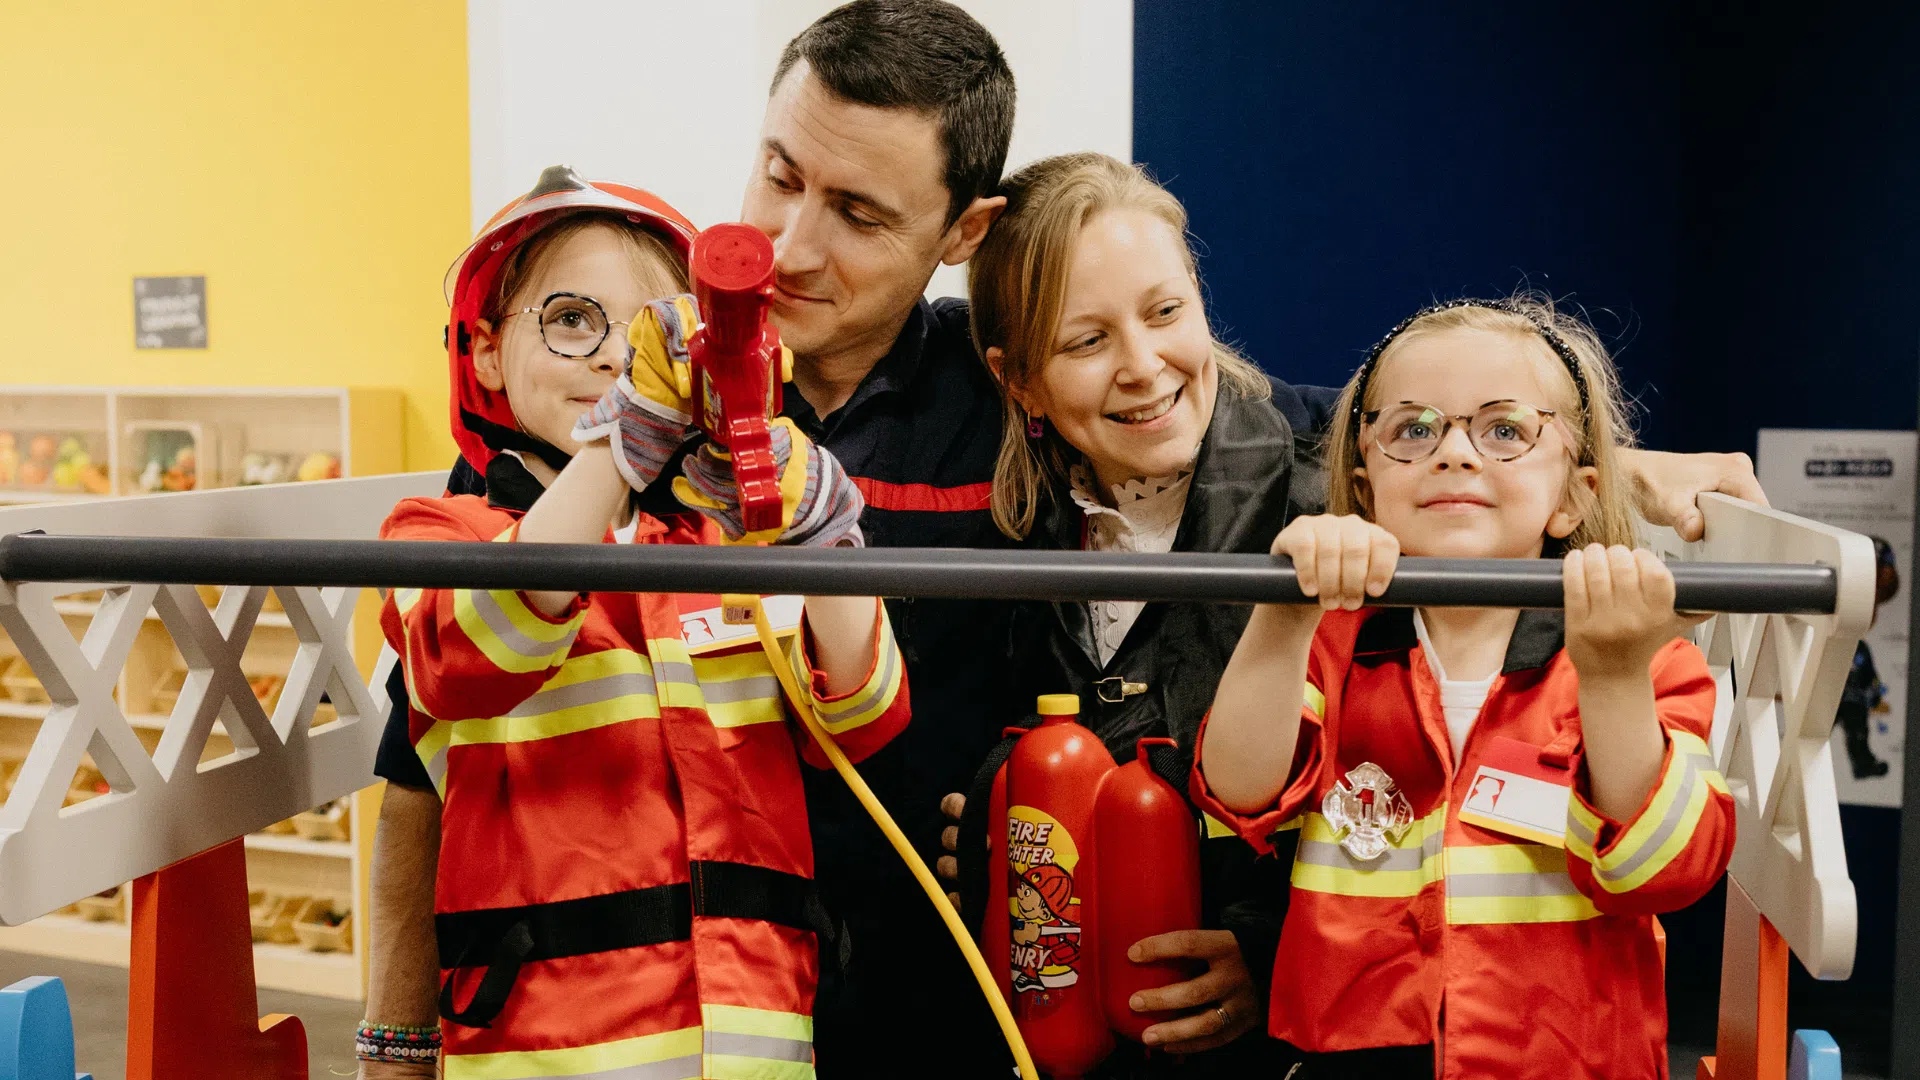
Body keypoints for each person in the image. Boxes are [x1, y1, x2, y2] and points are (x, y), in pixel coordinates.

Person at [356, 165, 910, 1080]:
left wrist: (827, 545)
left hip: (758, 1049)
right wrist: (621, 445)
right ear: (487, 352)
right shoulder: (441, 536)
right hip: (550, 1053)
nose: (617, 358)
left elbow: (864, 714)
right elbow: (472, 652)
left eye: (656, 333)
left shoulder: (719, 550)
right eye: (574, 320)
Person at [1194, 296, 1737, 1078]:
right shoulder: (1329, 643)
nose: (1453, 452)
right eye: (1413, 429)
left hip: (1571, 1061)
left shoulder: (1644, 656)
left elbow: (1666, 872)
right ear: (1365, 487)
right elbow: (1237, 791)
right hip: (1354, 1055)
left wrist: (1613, 676)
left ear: (1575, 496)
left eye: (1505, 430)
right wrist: (1285, 615)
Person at [943, 151, 1327, 1076]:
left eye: (1164, 313)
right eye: (1087, 342)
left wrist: (1278, 951)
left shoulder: (1329, 505)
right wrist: (983, 824)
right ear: (1017, 380)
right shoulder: (1001, 532)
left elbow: (1409, 778)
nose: (1144, 366)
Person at [1836, 534, 1899, 778]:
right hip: (1826, 696)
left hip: (1852, 700)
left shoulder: (1860, 649)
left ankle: (1862, 763)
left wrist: (1873, 698)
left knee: (1857, 729)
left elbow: (1869, 676)